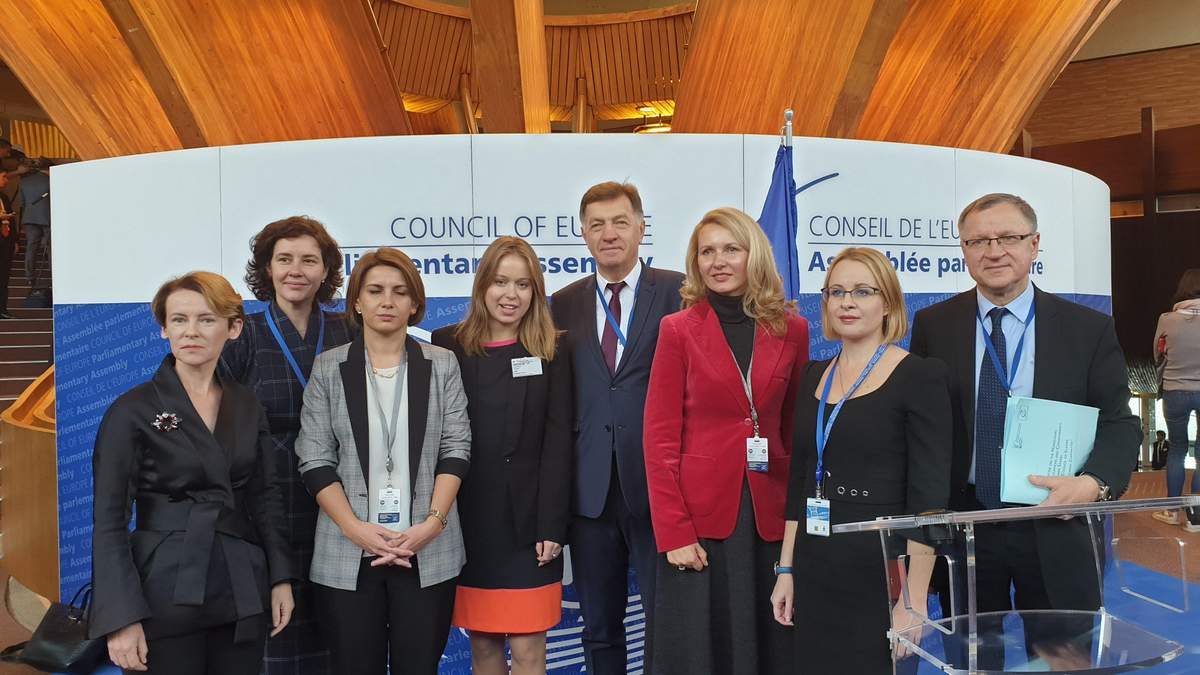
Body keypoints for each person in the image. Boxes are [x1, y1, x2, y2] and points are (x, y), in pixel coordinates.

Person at [909, 193, 1140, 669]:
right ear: (964, 250)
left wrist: (1093, 485)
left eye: (1008, 237)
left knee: (1063, 659)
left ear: (1034, 244)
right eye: (978, 241)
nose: (994, 251)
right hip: (967, 525)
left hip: (1057, 520)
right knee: (972, 659)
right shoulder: (934, 325)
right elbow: (924, 426)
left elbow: (1119, 423)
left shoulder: (1088, 329)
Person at [89, 272, 295, 674]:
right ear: (164, 329)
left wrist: (280, 578)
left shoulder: (247, 405)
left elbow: (265, 498)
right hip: (161, 590)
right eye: (179, 320)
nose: (191, 331)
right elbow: (108, 521)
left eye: (206, 319)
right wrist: (121, 617)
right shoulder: (132, 410)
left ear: (233, 328)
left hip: (240, 585)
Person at [770, 247, 951, 673]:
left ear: (887, 303)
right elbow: (800, 482)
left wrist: (914, 599)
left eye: (862, 291)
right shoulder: (813, 375)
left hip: (880, 571)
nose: (847, 302)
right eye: (836, 292)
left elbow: (928, 500)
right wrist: (786, 569)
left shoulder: (919, 375)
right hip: (816, 566)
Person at [643, 207, 807, 674]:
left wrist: (795, 526)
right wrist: (674, 533)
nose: (718, 261)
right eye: (707, 251)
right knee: (702, 651)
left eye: (731, 249)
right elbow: (658, 439)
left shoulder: (792, 329)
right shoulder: (678, 329)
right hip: (700, 524)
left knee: (771, 648)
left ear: (754, 255)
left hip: (770, 518)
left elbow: (794, 431)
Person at [295, 247, 470, 674]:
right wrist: (355, 529)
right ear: (357, 301)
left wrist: (431, 524)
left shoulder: (442, 363)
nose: (387, 301)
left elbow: (456, 448)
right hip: (347, 551)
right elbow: (314, 457)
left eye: (399, 291)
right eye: (375, 291)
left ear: (414, 303)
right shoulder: (328, 368)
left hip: (426, 548)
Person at [549, 181, 684, 674]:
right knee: (599, 627)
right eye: (597, 225)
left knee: (665, 621)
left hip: (657, 488)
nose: (609, 234)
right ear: (583, 234)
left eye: (620, 222)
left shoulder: (679, 291)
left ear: (641, 228)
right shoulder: (562, 303)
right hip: (589, 494)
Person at [431, 236, 572, 674]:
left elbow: (558, 442)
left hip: (530, 530)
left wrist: (552, 524)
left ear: (536, 292)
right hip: (468, 525)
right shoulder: (447, 344)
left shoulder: (552, 348)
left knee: (529, 650)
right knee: (484, 648)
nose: (511, 295)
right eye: (500, 282)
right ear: (482, 286)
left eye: (523, 284)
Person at [221, 216, 353, 674]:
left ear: (326, 270)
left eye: (309, 260)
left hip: (340, 503)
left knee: (337, 639)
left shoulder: (347, 330)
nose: (296, 270)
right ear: (268, 268)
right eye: (284, 259)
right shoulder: (242, 334)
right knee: (275, 642)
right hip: (268, 505)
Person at [1150, 269, 1200, 530]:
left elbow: (1158, 355)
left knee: (1178, 450)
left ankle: (1172, 512)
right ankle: (1196, 518)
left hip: (1174, 391)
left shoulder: (1167, 319)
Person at [15, 158, 50, 288]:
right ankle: (54, 274)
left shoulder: (24, 181)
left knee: (31, 247)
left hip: (29, 218)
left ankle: (29, 277)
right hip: (48, 218)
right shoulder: (52, 180)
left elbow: (22, 203)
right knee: (51, 248)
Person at [0, 169, 15, 319]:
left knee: (3, 277)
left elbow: (12, 220)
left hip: (5, 241)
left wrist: (15, 241)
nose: (6, 180)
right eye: (3, 177)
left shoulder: (4, 197)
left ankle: (2, 309)